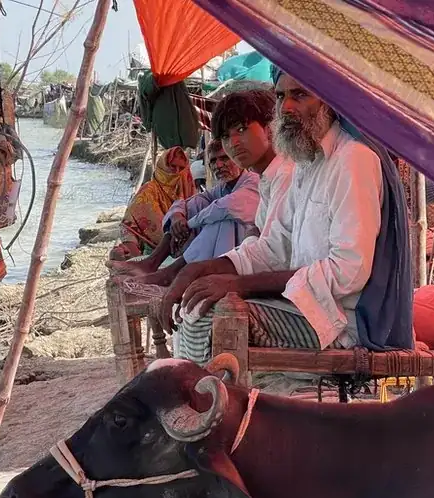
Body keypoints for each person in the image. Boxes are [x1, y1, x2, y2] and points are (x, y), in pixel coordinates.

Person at [160, 70, 413, 369]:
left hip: (340, 322)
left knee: (210, 321)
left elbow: (348, 271)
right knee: (198, 309)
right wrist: (203, 269)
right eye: (281, 97)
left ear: (330, 102)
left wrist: (238, 285)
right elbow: (276, 248)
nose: (286, 107)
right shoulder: (308, 162)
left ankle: (212, 409)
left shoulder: (353, 159)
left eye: (300, 95)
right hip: (304, 306)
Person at [107, 139, 261, 285]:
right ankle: (152, 262)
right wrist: (176, 217)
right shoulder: (222, 188)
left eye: (224, 158)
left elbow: (226, 207)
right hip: (167, 244)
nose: (219, 165)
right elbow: (189, 202)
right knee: (196, 204)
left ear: (237, 159)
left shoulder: (253, 181)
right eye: (213, 161)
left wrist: (187, 224)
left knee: (219, 220)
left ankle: (171, 272)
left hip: (252, 249)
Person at [109, 146, 197, 261]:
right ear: (162, 166)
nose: (176, 172)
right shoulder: (148, 191)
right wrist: (134, 252)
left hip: (188, 251)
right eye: (172, 166)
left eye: (180, 168)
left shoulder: (187, 189)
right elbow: (129, 226)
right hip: (153, 253)